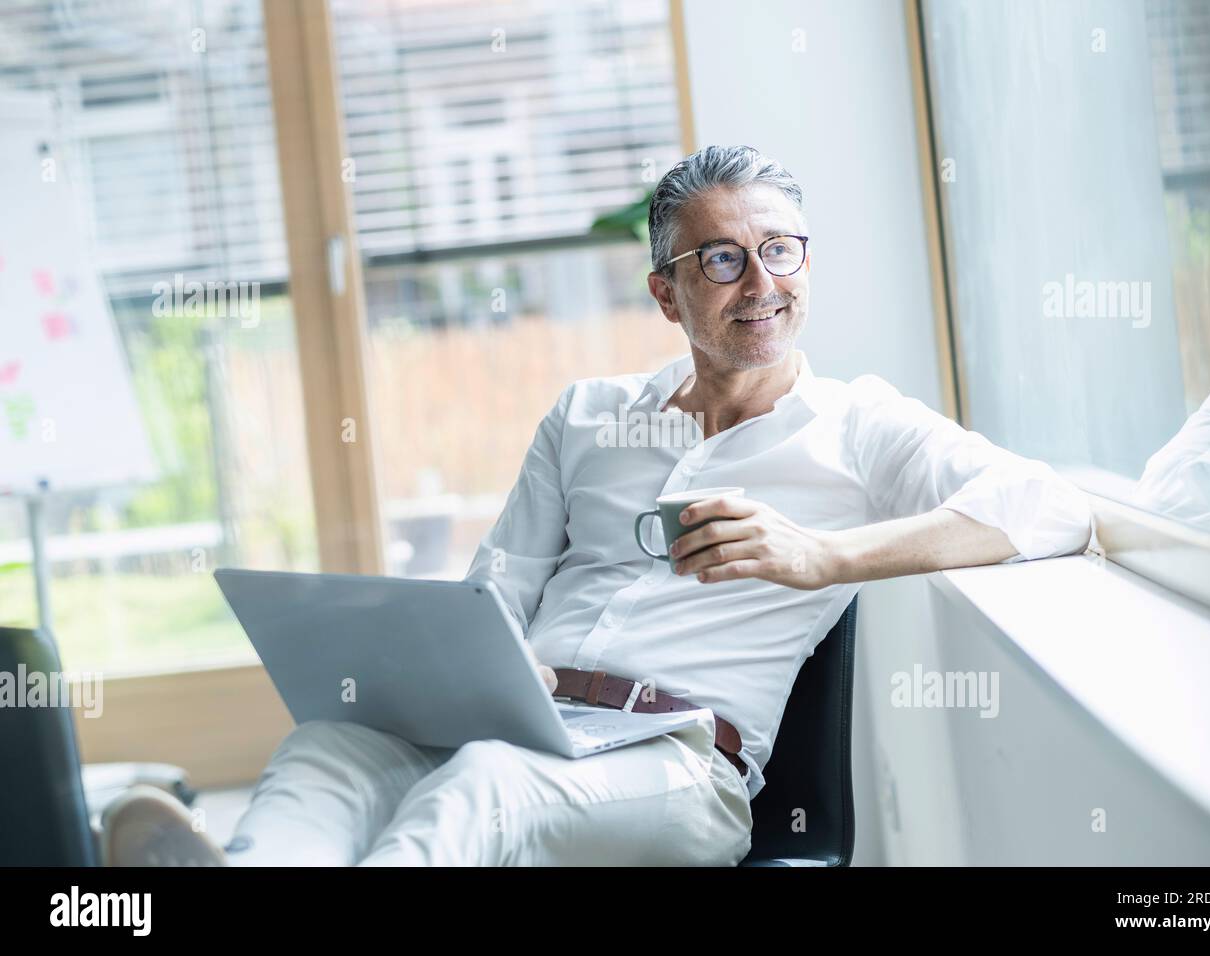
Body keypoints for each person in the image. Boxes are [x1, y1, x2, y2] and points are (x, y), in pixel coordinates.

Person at [102, 144, 1092, 867]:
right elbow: (496, 586)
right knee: (334, 742)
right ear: (667, 293)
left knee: (482, 790)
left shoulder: (858, 426)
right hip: (524, 720)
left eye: (780, 250)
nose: (759, 281)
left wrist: (822, 555)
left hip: (675, 766)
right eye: (720, 259)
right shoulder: (587, 415)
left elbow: (1045, 506)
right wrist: (470, 659)